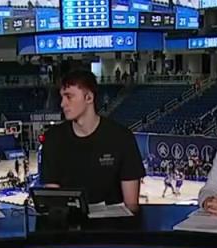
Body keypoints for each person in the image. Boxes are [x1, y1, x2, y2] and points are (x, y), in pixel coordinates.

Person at [40, 70, 145, 211]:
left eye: (69, 97)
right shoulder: (53, 138)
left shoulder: (122, 138)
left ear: (89, 97)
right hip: (69, 222)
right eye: (62, 97)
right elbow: (54, 203)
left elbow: (131, 206)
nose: (62, 104)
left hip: (113, 223)